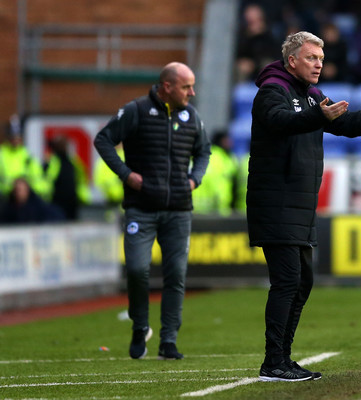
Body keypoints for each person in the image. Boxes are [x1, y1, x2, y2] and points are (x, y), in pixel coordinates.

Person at [246, 31, 361, 381]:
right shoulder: (271, 91)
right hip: (275, 201)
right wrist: (321, 117)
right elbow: (282, 122)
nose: (318, 64)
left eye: (321, 60)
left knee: (302, 282)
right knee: (287, 281)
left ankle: (282, 358)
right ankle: (273, 363)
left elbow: (349, 125)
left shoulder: (312, 97)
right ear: (292, 59)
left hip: (299, 204)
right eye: (312, 58)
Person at [94, 62, 211, 360]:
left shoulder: (191, 116)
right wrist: (126, 174)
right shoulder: (136, 110)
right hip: (140, 209)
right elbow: (103, 139)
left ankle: (168, 341)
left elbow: (203, 151)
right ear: (167, 86)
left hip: (179, 210)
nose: (192, 92)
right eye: (187, 87)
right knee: (136, 269)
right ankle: (140, 325)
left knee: (175, 275)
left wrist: (195, 178)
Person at [0, 115, 49, 201]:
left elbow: (37, 177)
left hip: (24, 198)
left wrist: (32, 189)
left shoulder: (27, 155)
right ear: (8, 137)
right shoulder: (2, 154)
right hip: (5, 197)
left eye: (18, 136)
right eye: (13, 136)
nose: (15, 139)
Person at [44, 135, 91, 220]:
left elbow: (82, 177)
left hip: (72, 203)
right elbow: (47, 182)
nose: (63, 147)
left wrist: (82, 195)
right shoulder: (52, 162)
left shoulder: (73, 161)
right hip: (56, 204)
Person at [192, 131, 238, 216]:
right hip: (219, 211)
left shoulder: (199, 156)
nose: (230, 143)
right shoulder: (225, 158)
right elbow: (224, 187)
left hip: (194, 210)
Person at [0, 177, 65, 224]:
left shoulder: (37, 206)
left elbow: (55, 216)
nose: (18, 193)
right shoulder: (9, 209)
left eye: (21, 190)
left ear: (27, 190)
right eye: (16, 190)